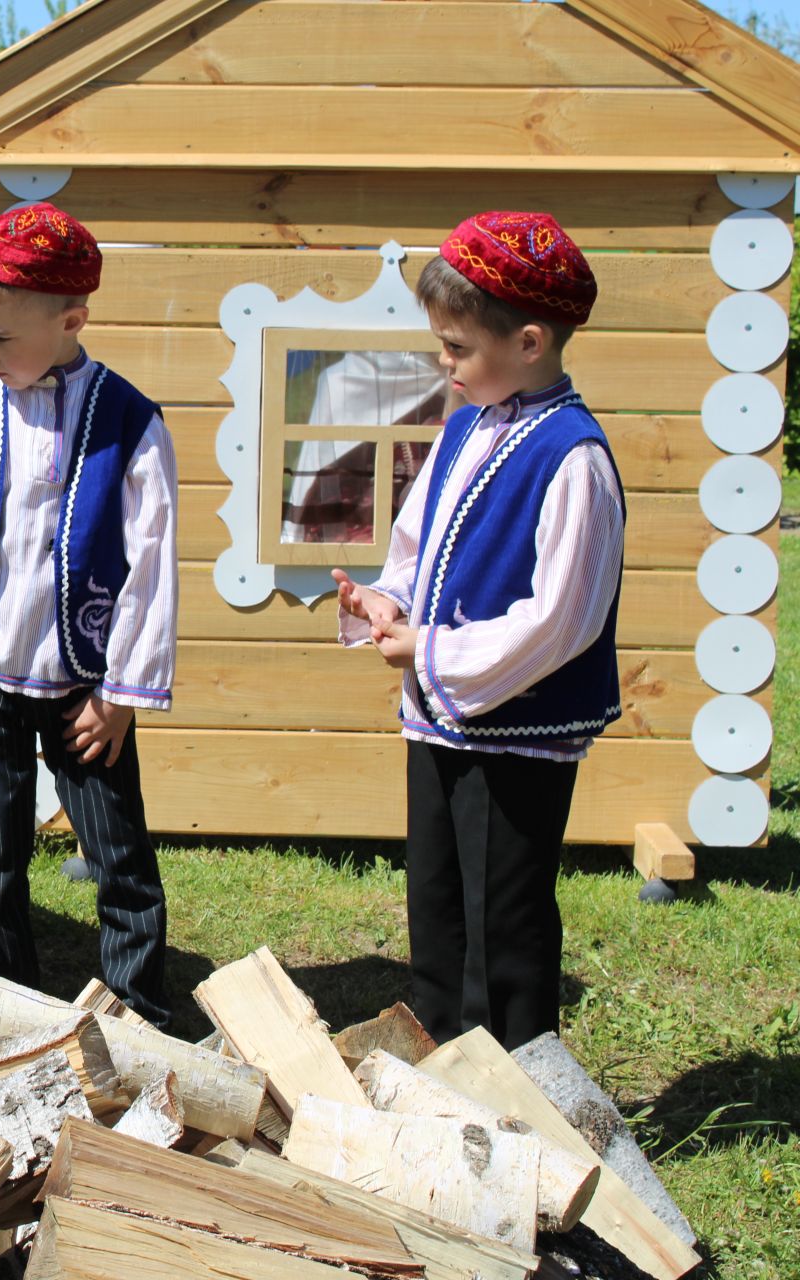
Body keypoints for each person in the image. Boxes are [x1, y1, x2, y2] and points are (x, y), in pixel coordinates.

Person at [332, 212, 624, 1051]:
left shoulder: (574, 457)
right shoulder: (467, 424)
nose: (444, 364)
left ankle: (519, 1096)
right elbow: (421, 542)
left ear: (530, 341)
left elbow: (563, 618)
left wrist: (428, 649)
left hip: (519, 733)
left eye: (457, 348)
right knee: (438, 904)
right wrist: (390, 599)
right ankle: (441, 1063)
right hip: (443, 716)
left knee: (504, 925)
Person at [0, 203, 177, 1027]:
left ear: (71, 319)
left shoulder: (131, 422)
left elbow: (153, 559)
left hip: (83, 685)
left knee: (117, 848)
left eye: (1, 341)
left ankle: (138, 1008)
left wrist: (123, 689)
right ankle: (6, 1006)